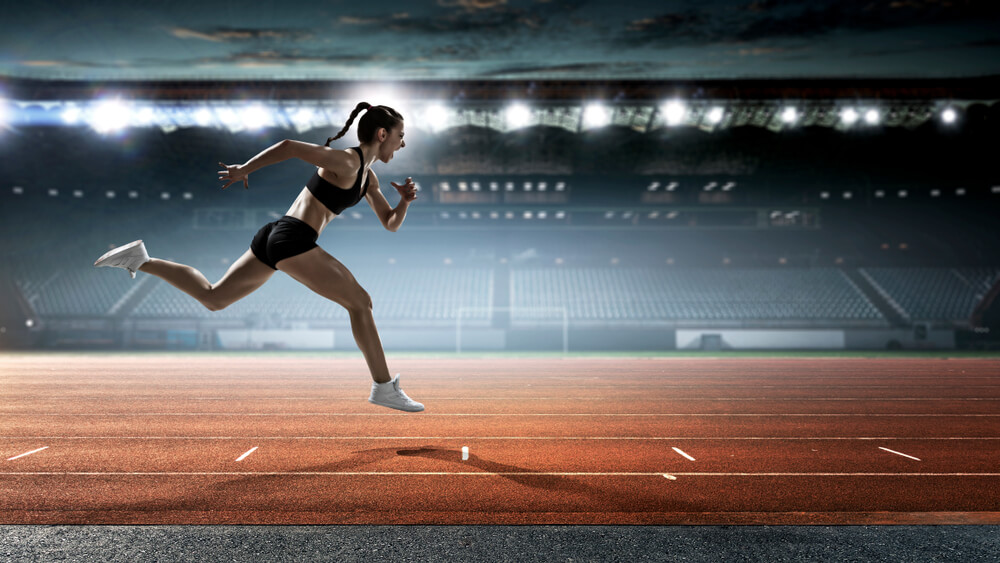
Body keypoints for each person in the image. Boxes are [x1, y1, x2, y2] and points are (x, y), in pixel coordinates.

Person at [94, 102, 424, 412]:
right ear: (382, 134)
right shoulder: (348, 162)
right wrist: (245, 169)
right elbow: (290, 146)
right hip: (293, 238)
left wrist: (405, 202)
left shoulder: (369, 178)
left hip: (275, 235)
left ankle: (141, 259)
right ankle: (383, 387)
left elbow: (390, 223)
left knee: (214, 297)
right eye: (400, 137)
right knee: (360, 302)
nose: (402, 145)